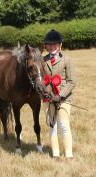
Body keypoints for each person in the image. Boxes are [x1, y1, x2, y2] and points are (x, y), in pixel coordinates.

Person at [42, 29, 76, 159]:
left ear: (60, 44)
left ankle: (69, 155)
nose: (51, 47)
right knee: (53, 126)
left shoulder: (67, 59)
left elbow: (72, 81)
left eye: (54, 44)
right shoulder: (43, 60)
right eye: (48, 44)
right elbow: (41, 80)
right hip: (48, 99)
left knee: (64, 125)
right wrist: (45, 94)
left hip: (63, 98)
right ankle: (55, 154)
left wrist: (60, 95)